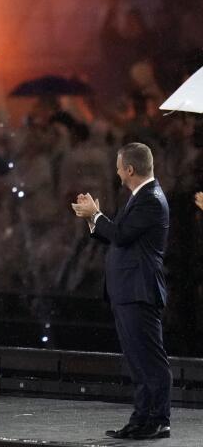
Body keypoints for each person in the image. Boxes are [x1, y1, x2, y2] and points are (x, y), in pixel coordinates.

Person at [71, 142, 171, 440]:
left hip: (139, 290)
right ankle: (142, 418)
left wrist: (96, 215)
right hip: (128, 290)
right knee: (137, 359)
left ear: (129, 169)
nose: (116, 172)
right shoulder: (139, 198)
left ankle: (158, 419)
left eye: (118, 167)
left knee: (149, 359)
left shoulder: (151, 199)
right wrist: (94, 218)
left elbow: (122, 235)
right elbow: (121, 238)